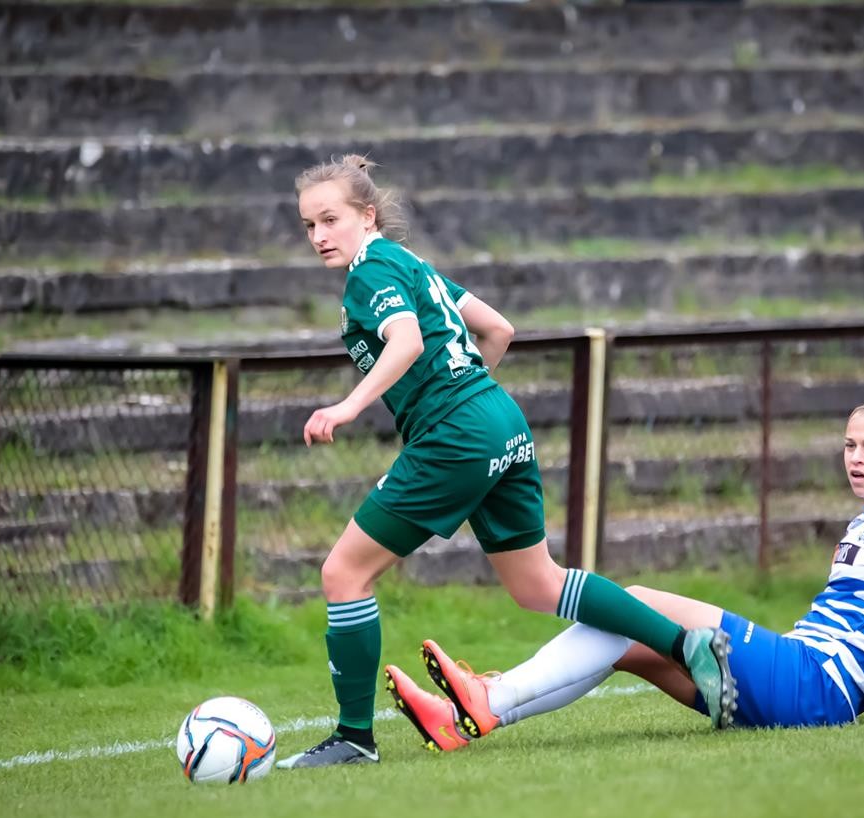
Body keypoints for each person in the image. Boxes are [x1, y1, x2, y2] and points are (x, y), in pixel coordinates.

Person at [276, 155, 736, 769]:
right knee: (537, 584)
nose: (318, 236)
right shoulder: (412, 265)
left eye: (330, 220)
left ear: (367, 216)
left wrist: (348, 407)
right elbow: (499, 330)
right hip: (497, 417)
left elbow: (407, 340)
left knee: (343, 574)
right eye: (309, 225)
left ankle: (354, 738)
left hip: (456, 432)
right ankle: (688, 645)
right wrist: (467, 398)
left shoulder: (371, 271)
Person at [383, 384, 864, 747]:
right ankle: (471, 711)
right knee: (622, 641)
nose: (855, 458)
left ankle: (487, 696)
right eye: (849, 445)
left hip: (816, 688)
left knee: (634, 596)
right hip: (798, 679)